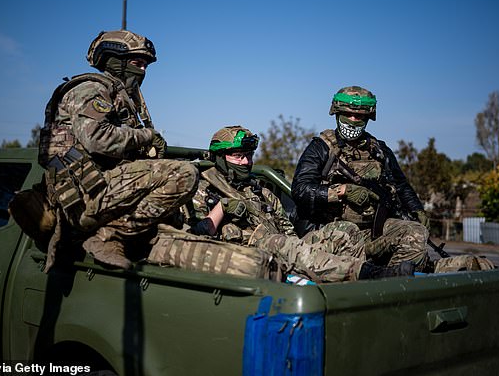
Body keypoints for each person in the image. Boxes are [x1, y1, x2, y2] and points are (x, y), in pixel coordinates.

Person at [38, 30, 198, 270]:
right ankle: (108, 237)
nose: (142, 71)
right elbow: (96, 138)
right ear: (116, 61)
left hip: (99, 190)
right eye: (137, 63)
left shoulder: (120, 96)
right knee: (183, 175)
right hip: (83, 196)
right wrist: (146, 136)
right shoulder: (91, 89)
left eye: (145, 65)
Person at [184, 125, 413, 282]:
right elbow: (197, 239)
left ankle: (360, 279)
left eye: (249, 155)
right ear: (220, 157)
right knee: (280, 244)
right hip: (244, 257)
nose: (246, 162)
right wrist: (221, 208)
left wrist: (305, 249)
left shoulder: (259, 190)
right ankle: (368, 274)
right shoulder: (203, 189)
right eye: (238, 156)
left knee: (344, 230)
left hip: (283, 249)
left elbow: (288, 231)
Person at [291, 86, 430, 271]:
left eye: (359, 116)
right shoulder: (321, 148)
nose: (353, 120)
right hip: (332, 232)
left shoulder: (379, 150)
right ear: (337, 113)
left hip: (371, 231)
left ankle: (394, 283)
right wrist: (342, 192)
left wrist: (417, 210)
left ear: (368, 118)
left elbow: (401, 185)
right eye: (348, 114)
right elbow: (300, 189)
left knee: (416, 232)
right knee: (348, 237)